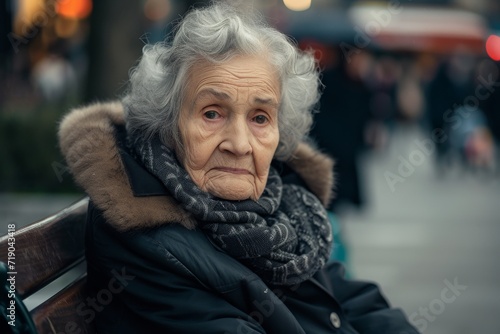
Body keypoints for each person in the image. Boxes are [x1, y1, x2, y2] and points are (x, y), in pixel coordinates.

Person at [58, 2, 418, 333]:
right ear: (167, 124)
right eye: (212, 113)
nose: (240, 144)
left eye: (260, 118)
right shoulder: (146, 241)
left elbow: (351, 299)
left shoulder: (285, 205)